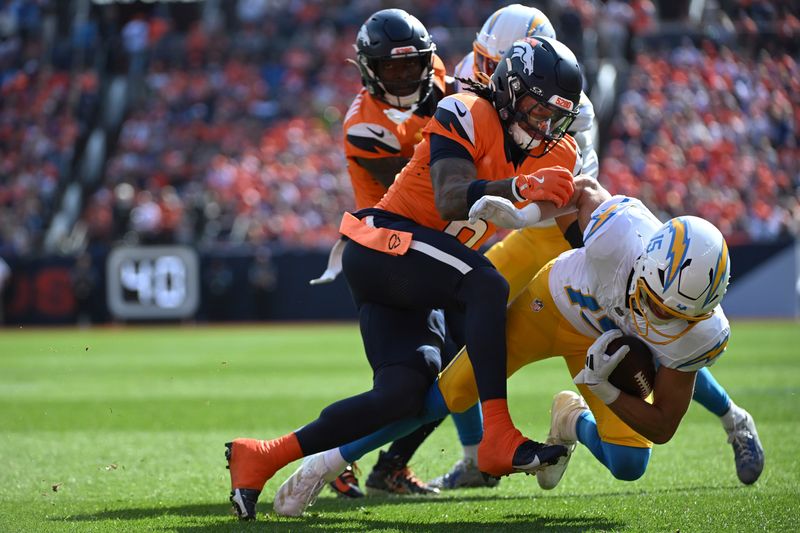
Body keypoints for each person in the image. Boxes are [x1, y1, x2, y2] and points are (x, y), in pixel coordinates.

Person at [226, 36, 584, 520]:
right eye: (534, 110)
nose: (543, 126)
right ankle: (494, 435)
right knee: (486, 285)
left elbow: (561, 222)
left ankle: (263, 456)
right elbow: (451, 197)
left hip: (416, 280)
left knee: (402, 395)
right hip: (381, 246)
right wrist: (517, 186)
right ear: (507, 89)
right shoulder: (465, 110)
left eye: (552, 118)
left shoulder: (558, 151)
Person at [271, 176, 764, 517]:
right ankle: (326, 463)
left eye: (674, 314)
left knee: (631, 465)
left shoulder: (700, 334)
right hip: (551, 308)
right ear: (648, 256)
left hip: (600, 344)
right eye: (655, 302)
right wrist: (527, 213)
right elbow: (582, 190)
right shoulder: (621, 232)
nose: (657, 317)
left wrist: (603, 389)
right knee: (444, 395)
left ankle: (570, 420)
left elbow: (663, 427)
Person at [429, 3, 762, 491]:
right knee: (464, 305)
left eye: (499, 66)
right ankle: (470, 454)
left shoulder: (568, 107)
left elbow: (562, 188)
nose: (487, 77)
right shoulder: (480, 84)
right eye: (485, 62)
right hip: (527, 226)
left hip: (565, 227)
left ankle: (733, 417)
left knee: (655, 330)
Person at [315, 8, 453, 497]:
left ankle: (390, 465)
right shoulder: (365, 126)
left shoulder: (443, 84)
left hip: (439, 241)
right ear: (369, 70)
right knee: (412, 384)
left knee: (456, 369)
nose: (402, 76)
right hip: (391, 243)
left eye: (410, 65)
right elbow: (420, 188)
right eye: (390, 69)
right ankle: (335, 453)